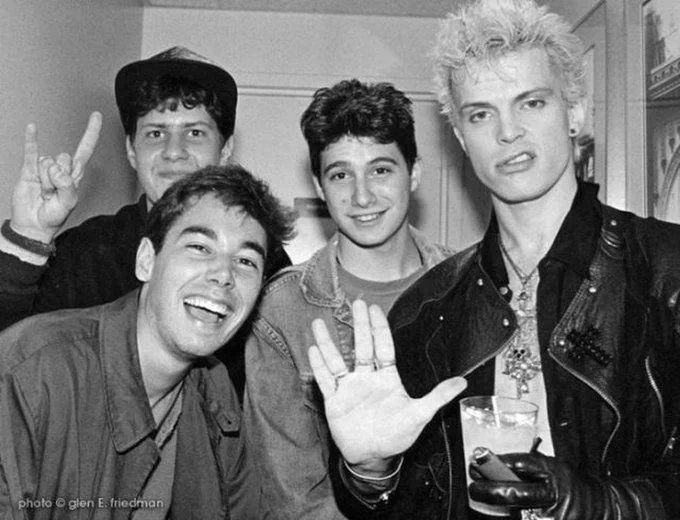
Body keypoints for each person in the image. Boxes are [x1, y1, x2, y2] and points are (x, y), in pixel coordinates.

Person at [306, 1, 680, 519]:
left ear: (575, 112)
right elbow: (407, 506)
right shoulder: (426, 308)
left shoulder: (666, 271)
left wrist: (592, 504)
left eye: (531, 103)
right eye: (481, 113)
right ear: (460, 136)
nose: (508, 132)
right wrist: (372, 472)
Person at [0, 164, 296, 519]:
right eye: (200, 247)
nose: (224, 275)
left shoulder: (215, 391)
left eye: (246, 261)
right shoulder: (32, 371)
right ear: (146, 261)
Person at [243, 79, 453, 518]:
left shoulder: (472, 284)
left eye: (380, 170)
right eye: (341, 174)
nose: (361, 196)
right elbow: (295, 502)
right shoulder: (281, 311)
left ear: (413, 173)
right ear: (320, 186)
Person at [0, 46, 291, 330]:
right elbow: (14, 361)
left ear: (225, 150)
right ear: (130, 150)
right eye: (156, 133)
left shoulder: (262, 260)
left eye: (194, 133)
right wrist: (28, 236)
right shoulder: (85, 253)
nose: (173, 151)